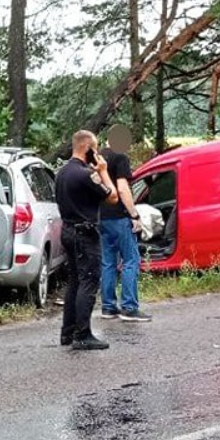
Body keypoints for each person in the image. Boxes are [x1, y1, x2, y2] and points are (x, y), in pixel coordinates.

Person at [55, 130, 119, 350]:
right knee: (89, 281)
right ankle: (83, 334)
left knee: (75, 282)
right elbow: (112, 196)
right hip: (85, 234)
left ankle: (68, 332)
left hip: (68, 231)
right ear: (88, 149)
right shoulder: (85, 174)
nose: (98, 152)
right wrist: (103, 171)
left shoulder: (62, 172)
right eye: (96, 148)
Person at [98, 124, 151, 323]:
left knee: (108, 263)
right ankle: (129, 307)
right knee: (130, 260)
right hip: (119, 216)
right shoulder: (120, 157)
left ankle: (108, 307)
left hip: (101, 217)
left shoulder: (99, 157)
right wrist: (134, 215)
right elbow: (122, 189)